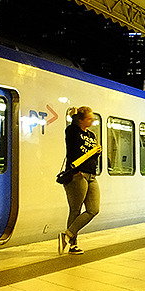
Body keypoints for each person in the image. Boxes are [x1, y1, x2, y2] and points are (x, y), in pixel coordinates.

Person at [60, 106, 102, 255]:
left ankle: (67, 234)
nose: (92, 120)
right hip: (77, 175)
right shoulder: (72, 131)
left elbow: (91, 156)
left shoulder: (91, 135)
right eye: (89, 118)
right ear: (81, 119)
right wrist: (73, 117)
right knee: (75, 210)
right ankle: (73, 245)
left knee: (93, 209)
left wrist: (96, 152)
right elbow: (73, 145)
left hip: (91, 175)